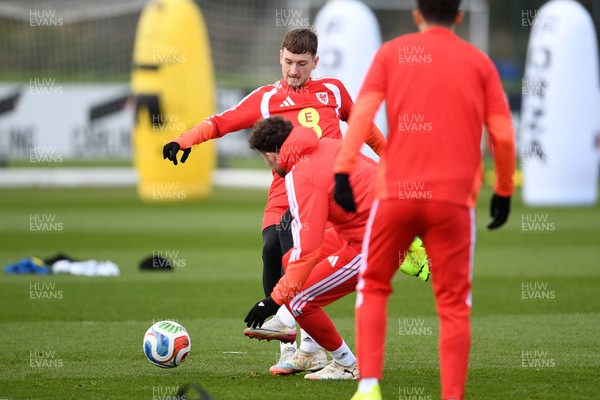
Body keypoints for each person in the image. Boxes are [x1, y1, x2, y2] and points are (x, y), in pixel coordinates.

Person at [162, 29, 386, 364]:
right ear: (280, 57)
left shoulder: (333, 92)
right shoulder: (266, 98)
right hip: (285, 191)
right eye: (289, 62)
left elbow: (362, 126)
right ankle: (289, 342)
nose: (294, 71)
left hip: (320, 193)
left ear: (315, 63)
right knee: (271, 248)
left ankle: (307, 345)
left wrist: (392, 158)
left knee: (293, 248)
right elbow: (221, 122)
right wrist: (185, 140)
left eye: (302, 64)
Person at [333, 1, 516, 399]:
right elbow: (501, 132)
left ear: (417, 14)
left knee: (374, 284)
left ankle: (367, 386)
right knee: (453, 304)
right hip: (452, 201)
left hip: (396, 193)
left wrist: (343, 169)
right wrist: (503, 188)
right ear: (459, 16)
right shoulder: (479, 62)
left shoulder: (391, 53)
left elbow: (362, 113)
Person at [243, 116, 429, 379]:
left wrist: (273, 301)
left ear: (273, 154)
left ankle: (347, 365)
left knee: (297, 298)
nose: (269, 166)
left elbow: (307, 251)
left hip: (374, 244)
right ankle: (309, 351)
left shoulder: (299, 177)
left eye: (265, 159)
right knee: (289, 265)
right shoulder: (328, 144)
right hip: (374, 228)